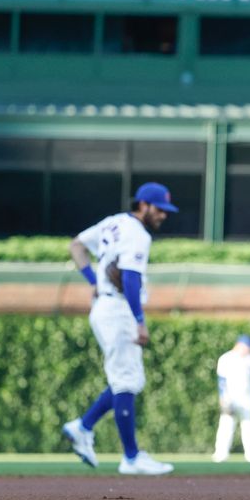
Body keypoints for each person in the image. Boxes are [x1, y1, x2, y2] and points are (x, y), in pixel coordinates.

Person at [62, 182, 177, 476]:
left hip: (105, 308)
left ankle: (83, 427)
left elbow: (76, 246)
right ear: (144, 205)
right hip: (119, 311)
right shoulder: (138, 234)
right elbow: (130, 279)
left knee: (127, 380)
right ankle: (131, 457)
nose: (163, 215)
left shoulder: (112, 222)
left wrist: (93, 282)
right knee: (126, 380)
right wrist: (139, 321)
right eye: (159, 209)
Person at [212, 334, 250, 463]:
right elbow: (221, 380)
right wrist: (222, 397)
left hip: (247, 399)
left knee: (249, 426)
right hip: (230, 398)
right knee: (226, 425)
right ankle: (220, 454)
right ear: (240, 345)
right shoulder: (225, 358)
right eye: (248, 347)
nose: (249, 350)